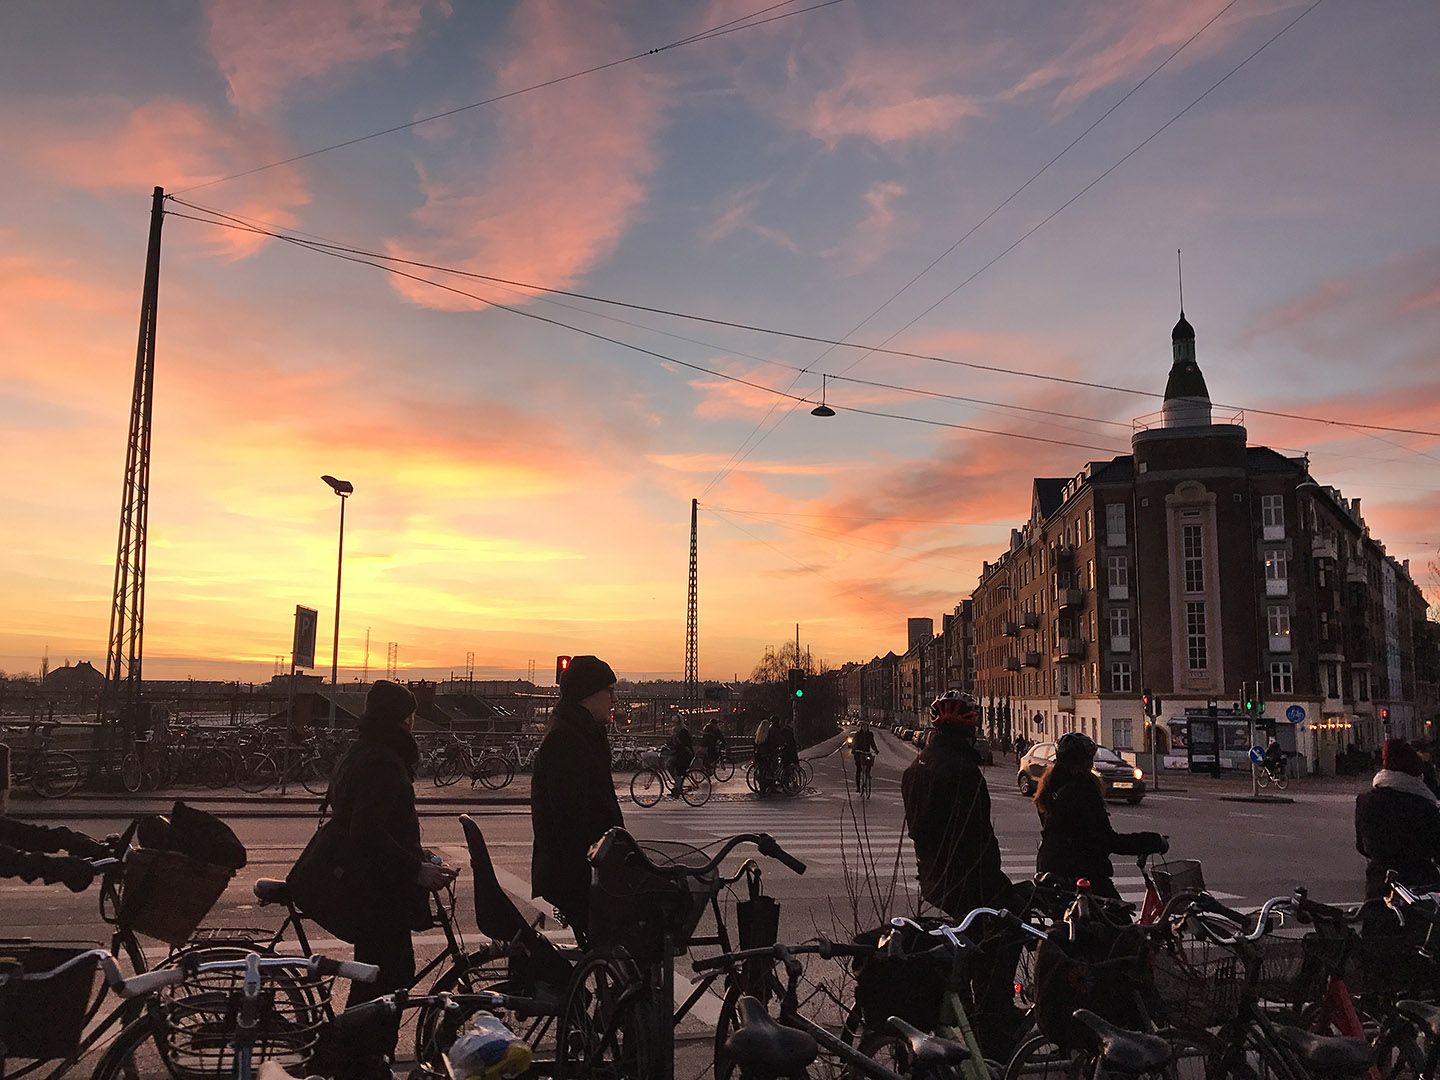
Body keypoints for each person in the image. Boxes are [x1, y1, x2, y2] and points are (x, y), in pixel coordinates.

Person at [326, 680, 455, 1022]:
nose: (412, 724)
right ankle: (360, 1050)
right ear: (400, 720)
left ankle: (355, 1046)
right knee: (387, 982)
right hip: (380, 892)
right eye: (408, 716)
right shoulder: (383, 762)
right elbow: (368, 832)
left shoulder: (360, 752)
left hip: (367, 887)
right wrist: (416, 869)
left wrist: (419, 855)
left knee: (375, 980)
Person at [901, 690, 1021, 1054]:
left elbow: (921, 831)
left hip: (933, 877)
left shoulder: (916, 768)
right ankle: (993, 1027)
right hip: (966, 880)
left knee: (971, 947)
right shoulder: (964, 773)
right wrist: (997, 886)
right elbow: (978, 838)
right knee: (1004, 936)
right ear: (969, 731)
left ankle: (972, 1009)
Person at [531, 655, 624, 943]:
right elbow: (572, 821)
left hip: (586, 868)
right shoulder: (567, 739)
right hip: (580, 874)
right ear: (588, 693)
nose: (613, 699)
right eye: (609, 691)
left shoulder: (580, 732)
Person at [1034, 731, 1167, 900]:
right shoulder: (1082, 792)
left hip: (1049, 874)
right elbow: (1106, 840)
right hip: (1083, 876)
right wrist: (1152, 841)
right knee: (1120, 914)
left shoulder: (1049, 789)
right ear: (1085, 762)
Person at [1355, 738, 1440, 899]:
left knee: (1377, 913)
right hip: (1419, 883)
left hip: (1379, 882)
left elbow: (1361, 846)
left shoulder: (1365, 801)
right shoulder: (1423, 804)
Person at [666, 719, 694, 798]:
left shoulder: (683, 731)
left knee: (677, 769)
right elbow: (671, 742)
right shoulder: (675, 731)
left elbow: (684, 744)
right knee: (669, 765)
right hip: (679, 754)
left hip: (685, 755)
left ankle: (677, 789)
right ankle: (678, 784)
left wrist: (675, 746)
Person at [850, 722, 877, 789]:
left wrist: (875, 750)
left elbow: (872, 743)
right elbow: (854, 742)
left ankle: (868, 774)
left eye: (866, 727)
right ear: (861, 728)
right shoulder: (858, 734)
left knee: (869, 762)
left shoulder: (870, 734)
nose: (865, 728)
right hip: (859, 753)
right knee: (858, 769)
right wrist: (854, 749)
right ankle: (858, 787)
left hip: (867, 752)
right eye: (863, 727)